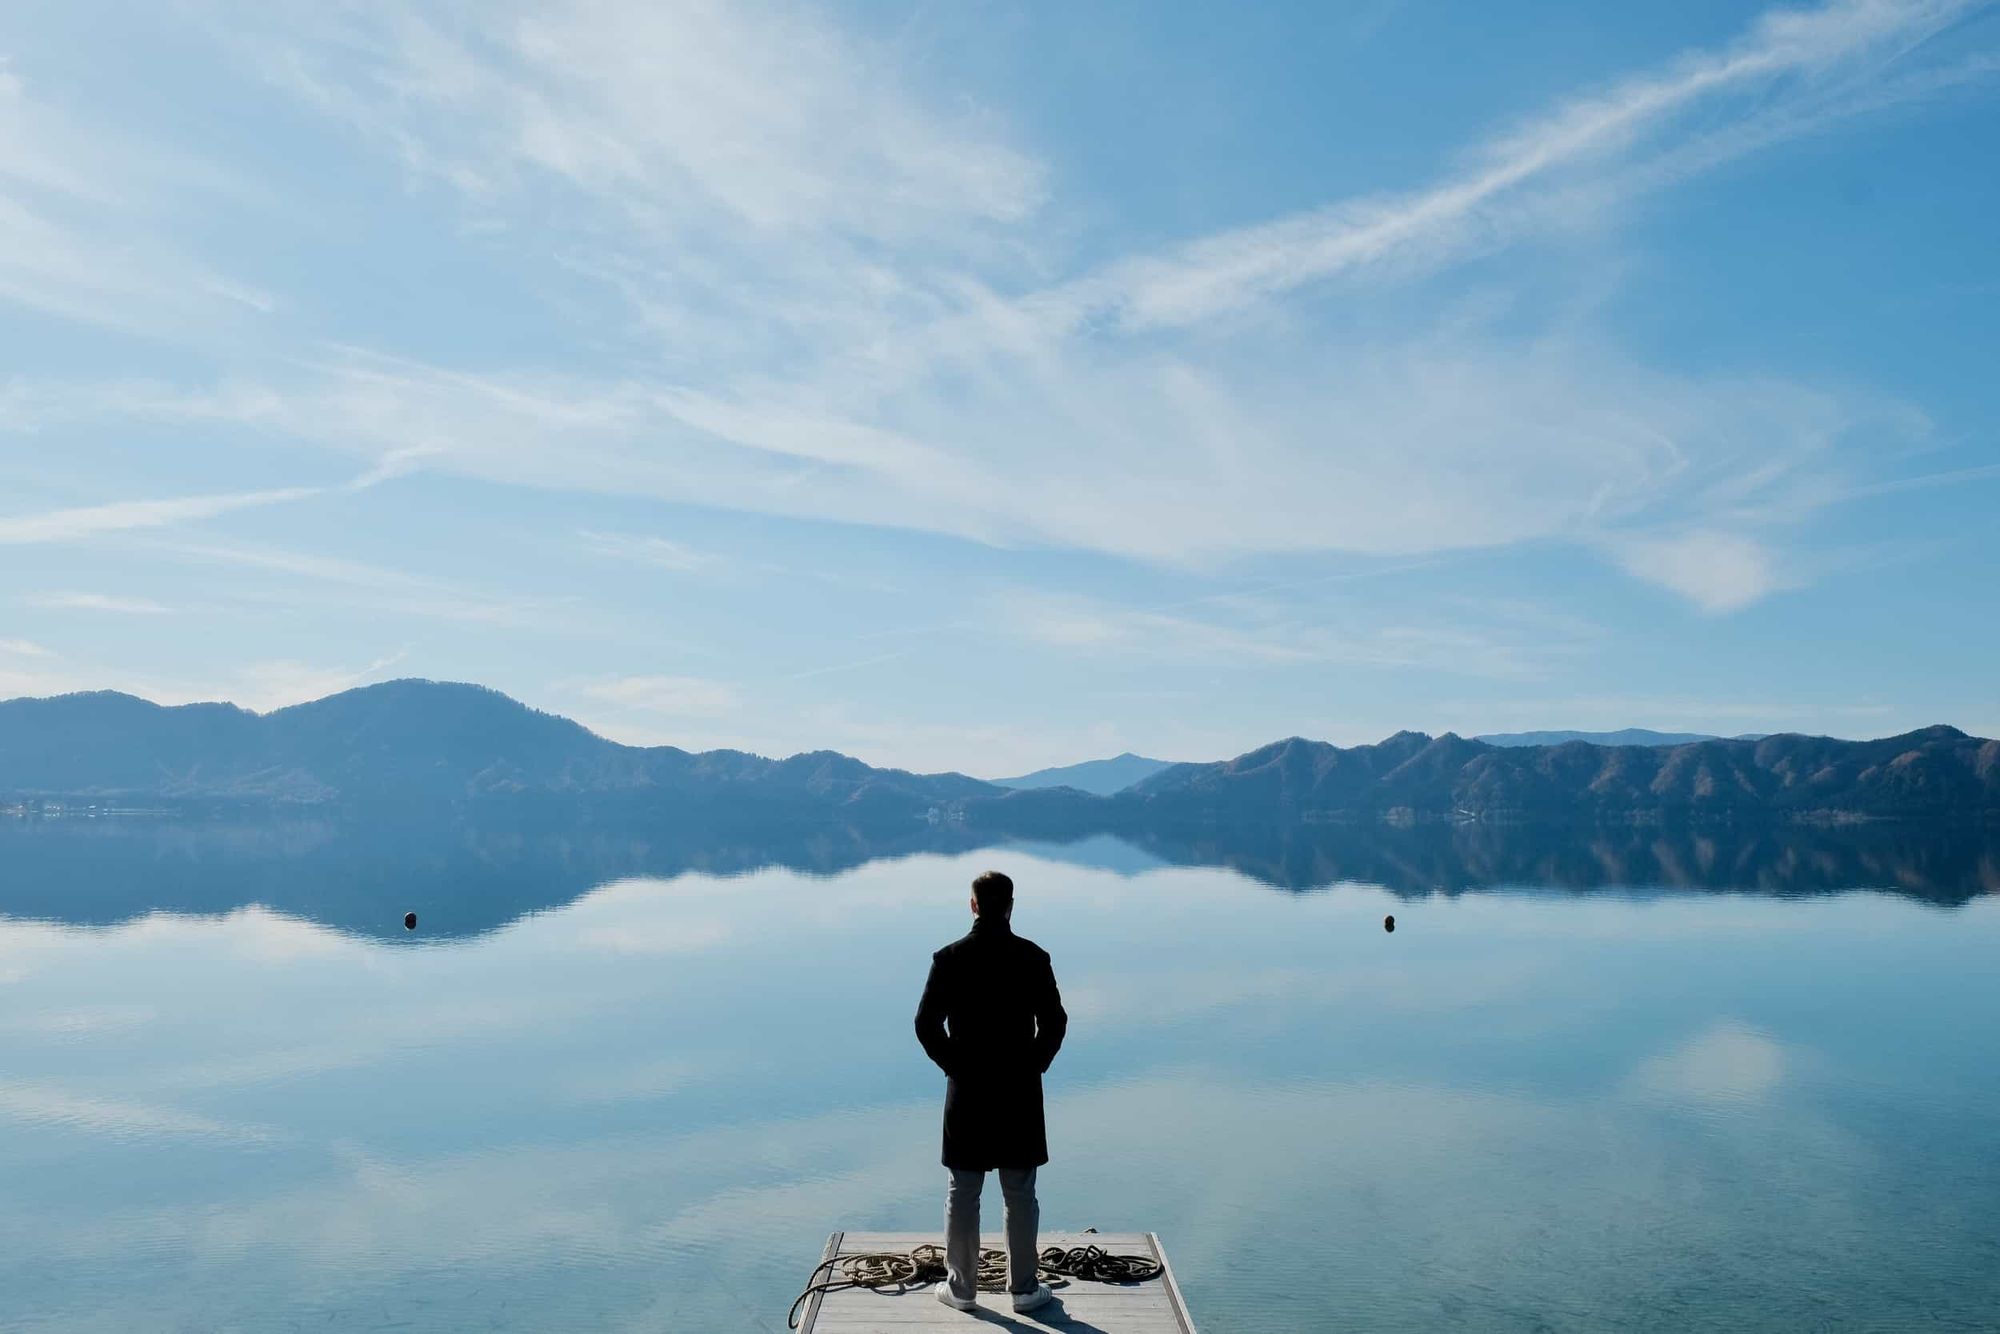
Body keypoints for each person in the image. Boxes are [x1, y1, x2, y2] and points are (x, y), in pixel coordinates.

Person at [914, 869, 1068, 1314]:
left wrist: (955, 1066)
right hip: (1019, 1088)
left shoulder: (949, 959)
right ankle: (1023, 1290)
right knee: (1019, 1190)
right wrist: (1033, 1064)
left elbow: (925, 1025)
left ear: (973, 905)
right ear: (1011, 905)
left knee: (963, 1190)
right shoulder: (1033, 958)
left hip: (968, 1090)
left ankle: (961, 1289)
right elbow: (1055, 1023)